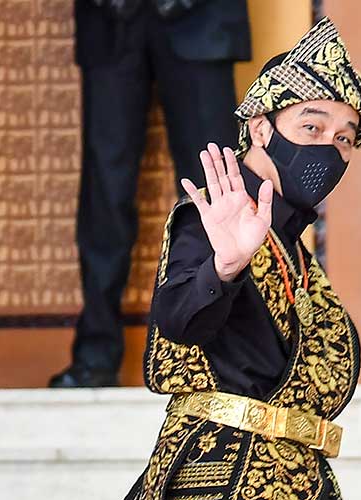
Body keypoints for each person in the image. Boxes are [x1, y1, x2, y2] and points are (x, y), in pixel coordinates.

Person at [124, 17, 361, 500]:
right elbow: (178, 322)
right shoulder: (215, 219)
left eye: (344, 137)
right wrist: (225, 267)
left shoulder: (294, 247)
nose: (329, 147)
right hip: (219, 474)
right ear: (260, 127)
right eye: (311, 126)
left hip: (295, 476)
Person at [50, 0, 251, 387]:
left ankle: (225, 357)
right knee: (104, 191)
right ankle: (95, 354)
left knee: (214, 190)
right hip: (110, 19)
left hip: (201, 19)